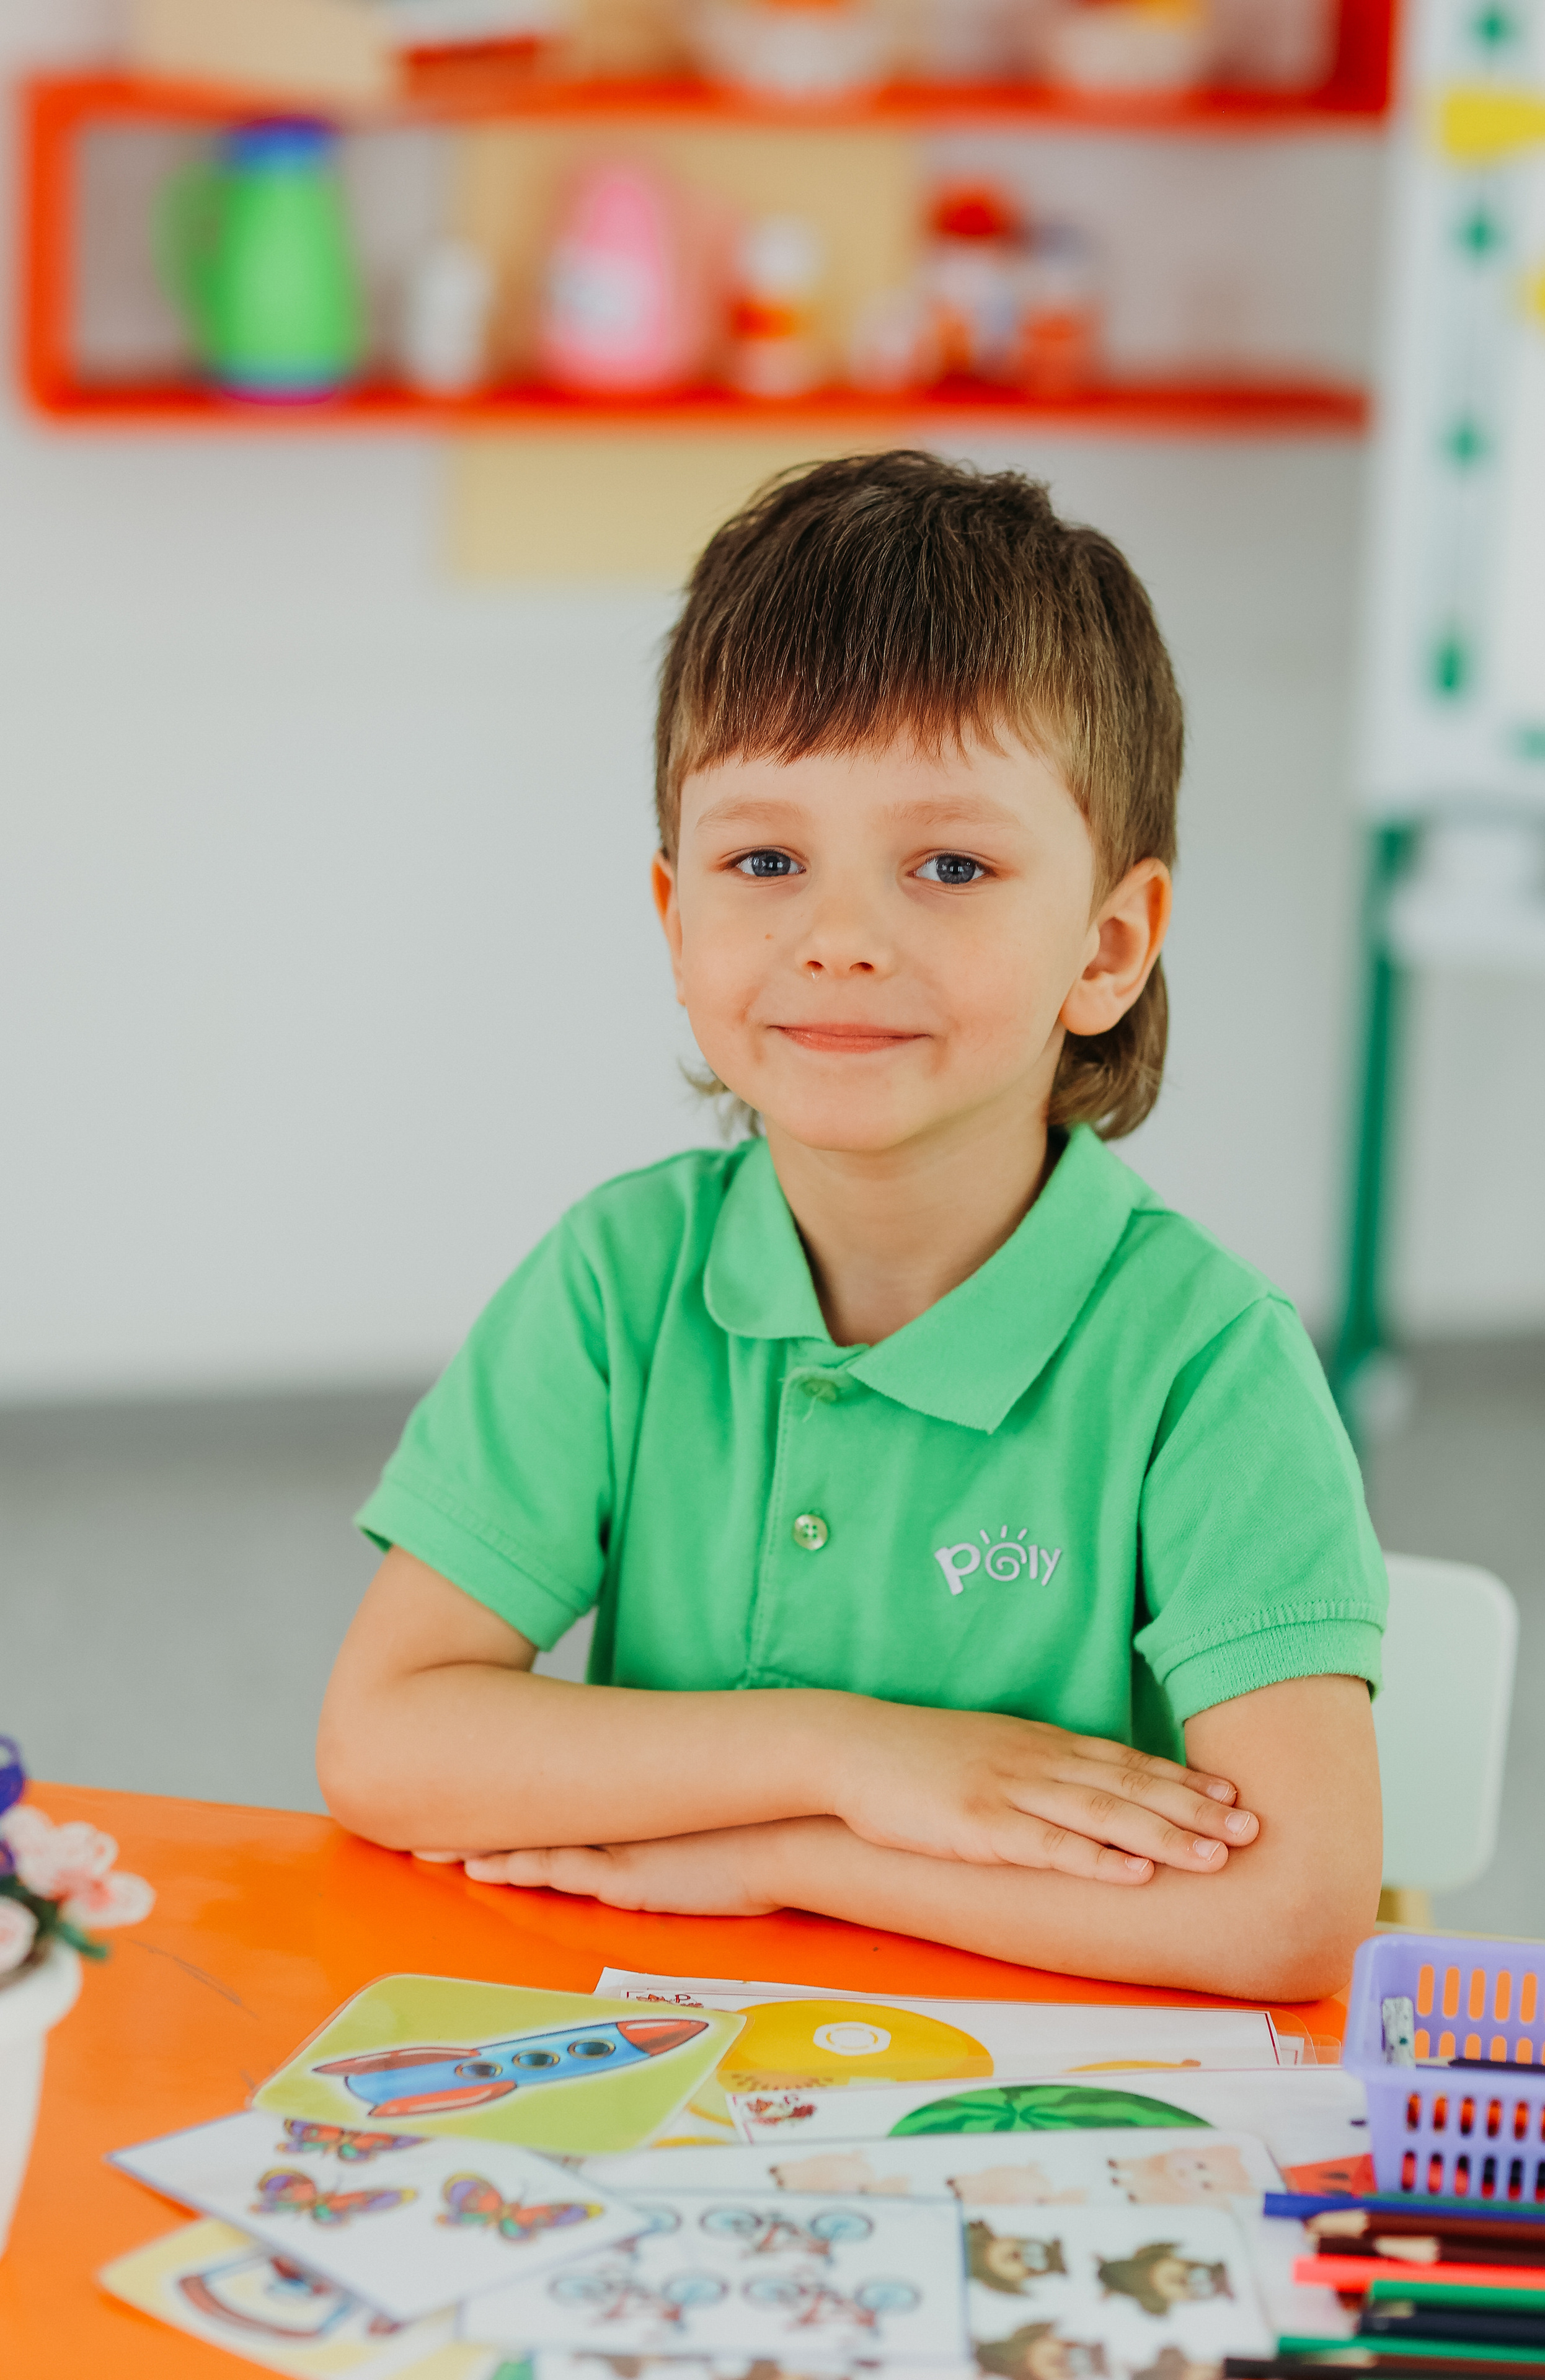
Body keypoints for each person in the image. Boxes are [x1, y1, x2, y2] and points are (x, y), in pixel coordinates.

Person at [317, 451, 1384, 1999]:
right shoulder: (616, 1283)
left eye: (948, 865)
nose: (837, 940)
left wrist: (783, 1861)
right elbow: (384, 1739)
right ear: (675, 916)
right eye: (765, 860)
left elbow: (1297, 1910)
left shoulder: (1208, 1362)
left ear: (1108, 944)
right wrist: (849, 1752)